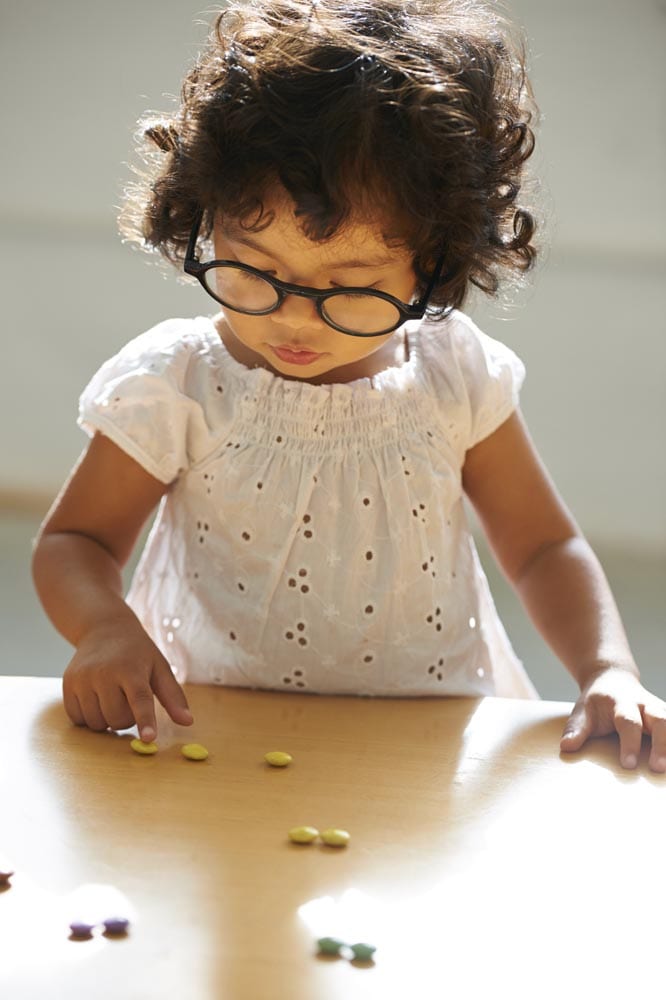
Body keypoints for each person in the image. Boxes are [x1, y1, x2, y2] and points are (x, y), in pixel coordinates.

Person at [32, 0, 665, 771]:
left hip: (431, 744)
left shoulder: (452, 374)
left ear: (433, 262)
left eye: (352, 286)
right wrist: (105, 628)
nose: (295, 318)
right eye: (255, 269)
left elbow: (544, 546)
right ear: (204, 221)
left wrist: (608, 670)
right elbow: (75, 542)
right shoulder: (184, 383)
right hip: (215, 734)